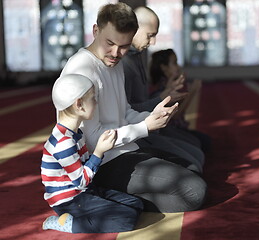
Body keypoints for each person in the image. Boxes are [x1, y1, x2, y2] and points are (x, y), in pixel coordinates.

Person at [59, 3, 207, 213]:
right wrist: (145, 127)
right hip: (99, 162)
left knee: (193, 169)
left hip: (127, 148)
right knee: (195, 192)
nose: (116, 53)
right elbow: (92, 140)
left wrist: (153, 116)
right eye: (110, 43)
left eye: (124, 46)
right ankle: (100, 192)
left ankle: (120, 198)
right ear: (95, 31)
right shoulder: (81, 70)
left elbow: (125, 112)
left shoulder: (116, 63)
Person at [41, 74, 143, 233]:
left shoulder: (75, 133)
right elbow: (81, 181)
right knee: (127, 219)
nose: (96, 103)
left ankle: (88, 216)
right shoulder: (63, 143)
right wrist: (99, 152)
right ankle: (68, 223)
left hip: (86, 191)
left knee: (136, 204)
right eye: (93, 99)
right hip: (70, 201)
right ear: (79, 104)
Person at [122, 6, 206, 172]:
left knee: (198, 155)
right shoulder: (123, 63)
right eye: (150, 35)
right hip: (137, 135)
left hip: (150, 130)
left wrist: (165, 95)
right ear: (135, 28)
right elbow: (125, 111)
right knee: (194, 167)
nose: (153, 42)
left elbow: (141, 102)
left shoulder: (136, 57)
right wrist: (161, 98)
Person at [149, 48, 212, 152]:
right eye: (174, 63)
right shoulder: (163, 88)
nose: (178, 67)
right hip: (171, 132)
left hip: (178, 129)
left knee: (204, 141)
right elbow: (176, 115)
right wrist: (192, 92)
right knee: (201, 144)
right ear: (164, 68)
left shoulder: (169, 83)